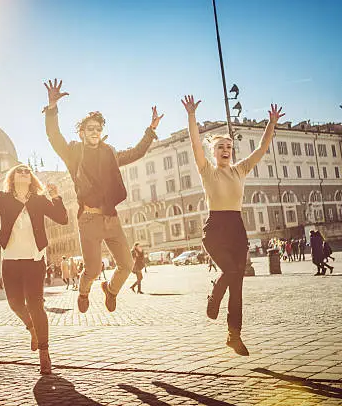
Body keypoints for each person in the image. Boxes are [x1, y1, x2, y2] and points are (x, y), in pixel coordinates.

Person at [43, 79, 161, 313]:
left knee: (126, 265)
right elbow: (54, 137)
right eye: (90, 129)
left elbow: (136, 153)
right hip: (88, 220)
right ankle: (84, 292)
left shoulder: (110, 153)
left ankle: (111, 290)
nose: (95, 132)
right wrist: (52, 108)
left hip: (111, 219)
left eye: (98, 129)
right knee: (93, 270)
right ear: (82, 132)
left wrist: (151, 130)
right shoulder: (73, 153)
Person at [183, 95, 284, 356]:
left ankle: (234, 335)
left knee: (237, 283)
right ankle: (214, 297)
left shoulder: (240, 170)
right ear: (213, 153)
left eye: (229, 146)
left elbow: (261, 149)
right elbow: (195, 143)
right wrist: (192, 115)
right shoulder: (207, 170)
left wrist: (271, 123)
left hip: (237, 228)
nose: (226, 149)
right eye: (220, 147)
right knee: (229, 271)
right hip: (216, 228)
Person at [0, 164, 68, 375]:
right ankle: (31, 327)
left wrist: (56, 196)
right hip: (10, 258)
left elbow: (62, 219)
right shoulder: (3, 198)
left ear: (31, 178)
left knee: (36, 304)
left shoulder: (39, 200)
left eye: (27, 171)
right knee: (14, 304)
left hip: (34, 258)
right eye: (19, 170)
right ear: (12, 177)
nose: (23, 172)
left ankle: (44, 352)